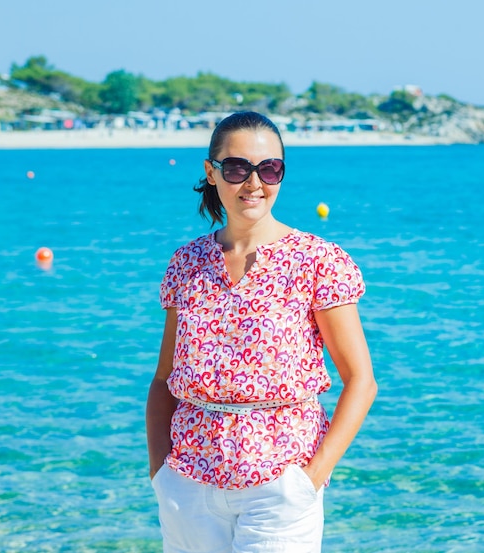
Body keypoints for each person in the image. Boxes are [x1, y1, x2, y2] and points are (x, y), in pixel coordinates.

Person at [146, 111, 377, 553]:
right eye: (237, 168)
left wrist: (309, 480)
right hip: (188, 485)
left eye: (269, 168)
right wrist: (161, 471)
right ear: (211, 173)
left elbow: (361, 383)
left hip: (280, 486)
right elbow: (164, 380)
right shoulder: (186, 264)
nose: (254, 182)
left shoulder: (318, 261)